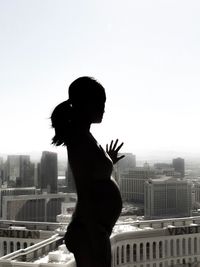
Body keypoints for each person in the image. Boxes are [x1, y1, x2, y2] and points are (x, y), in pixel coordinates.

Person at [51, 76, 124, 267]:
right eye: (100, 102)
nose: (103, 108)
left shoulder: (86, 137)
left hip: (93, 230)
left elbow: (94, 176)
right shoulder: (80, 140)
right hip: (89, 233)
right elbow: (85, 192)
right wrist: (95, 236)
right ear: (85, 103)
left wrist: (108, 161)